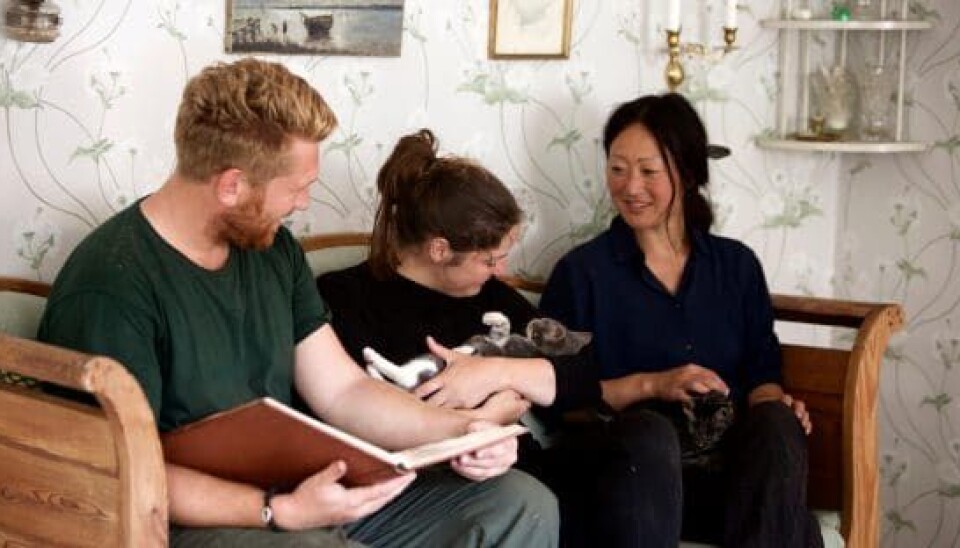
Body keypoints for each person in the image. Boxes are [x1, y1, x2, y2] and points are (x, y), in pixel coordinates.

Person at [37, 58, 558, 548]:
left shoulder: (272, 250)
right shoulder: (111, 286)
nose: (304, 204)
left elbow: (344, 392)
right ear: (233, 186)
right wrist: (276, 509)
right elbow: (120, 472)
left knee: (517, 503)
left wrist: (467, 432)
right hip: (190, 521)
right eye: (297, 188)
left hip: (297, 495)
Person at [316, 128, 665, 547]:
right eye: (489, 260)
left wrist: (493, 373)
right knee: (526, 499)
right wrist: (491, 416)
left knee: (647, 433)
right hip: (434, 490)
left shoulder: (489, 293)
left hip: (523, 466)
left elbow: (583, 373)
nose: (500, 272)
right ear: (440, 250)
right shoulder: (346, 298)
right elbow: (350, 412)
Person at [539, 92, 823, 548]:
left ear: (687, 174)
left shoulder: (736, 267)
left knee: (776, 424)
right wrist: (654, 385)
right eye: (617, 168)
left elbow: (762, 375)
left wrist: (777, 405)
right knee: (650, 433)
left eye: (649, 171)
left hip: (722, 480)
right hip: (631, 478)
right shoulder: (582, 274)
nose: (631, 187)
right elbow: (558, 399)